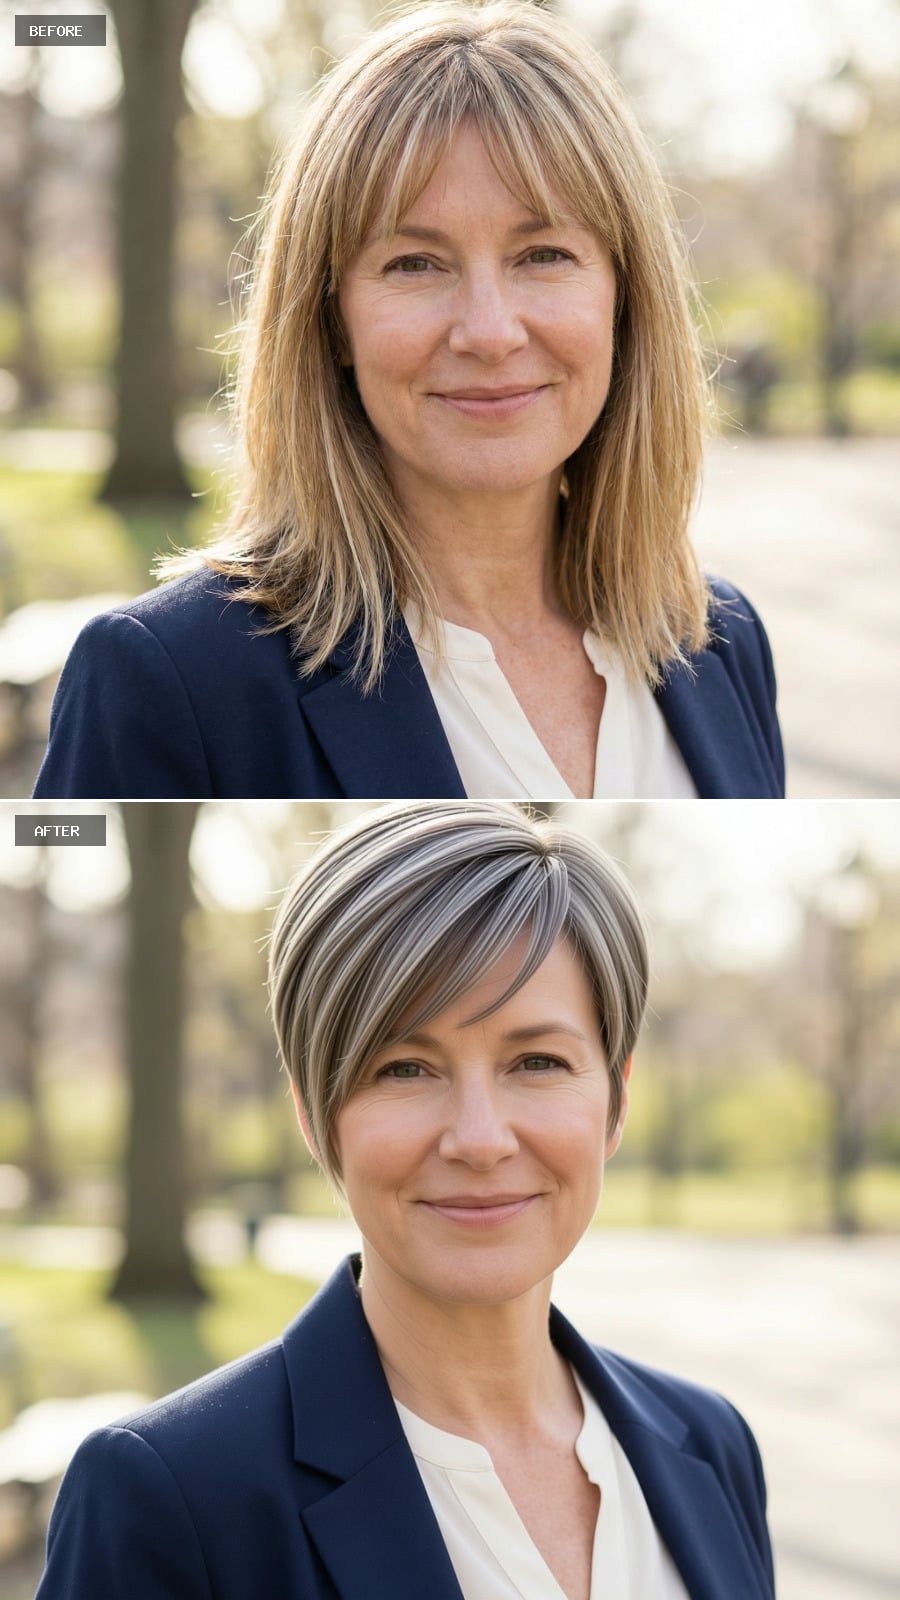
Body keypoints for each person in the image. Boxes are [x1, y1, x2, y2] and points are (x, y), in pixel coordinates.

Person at [34, 1, 784, 802]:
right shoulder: (167, 677)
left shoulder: (721, 640)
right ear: (331, 318)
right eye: (415, 264)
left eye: (544, 254)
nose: (490, 332)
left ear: (624, 299)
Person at [37, 801, 776, 1600]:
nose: (480, 1138)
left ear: (616, 1101)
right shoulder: (171, 1497)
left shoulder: (712, 1445)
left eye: (537, 1062)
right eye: (404, 1068)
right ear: (317, 1118)